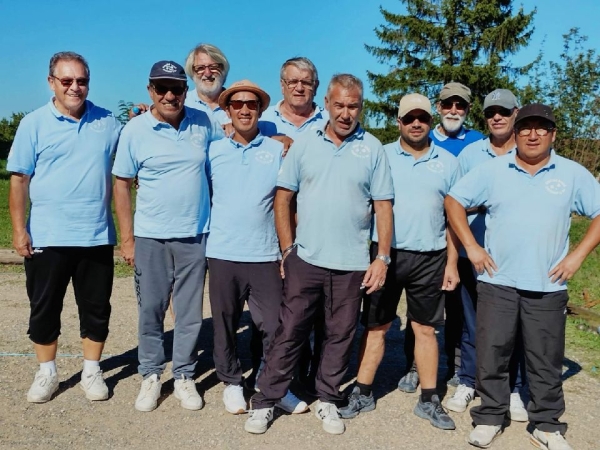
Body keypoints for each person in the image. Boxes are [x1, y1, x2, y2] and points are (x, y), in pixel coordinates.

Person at [244, 73, 394, 436]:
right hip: (306, 259)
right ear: (326, 104)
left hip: (352, 264)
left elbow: (384, 206)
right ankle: (266, 400)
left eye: (353, 106)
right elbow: (283, 198)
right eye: (339, 105)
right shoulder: (304, 144)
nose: (345, 113)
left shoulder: (372, 147)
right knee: (289, 331)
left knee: (340, 335)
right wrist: (287, 250)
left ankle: (327, 398)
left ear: (361, 107)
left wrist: (382, 257)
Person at [445, 103, 600, 449]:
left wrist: (577, 256)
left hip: (548, 284)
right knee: (492, 353)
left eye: (541, 128)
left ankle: (546, 424)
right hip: (498, 281)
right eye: (526, 127)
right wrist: (472, 247)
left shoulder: (572, 174)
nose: (533, 134)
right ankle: (490, 416)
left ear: (553, 134)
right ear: (516, 133)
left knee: (545, 359)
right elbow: (454, 201)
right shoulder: (494, 170)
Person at [339, 93, 460, 430]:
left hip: (431, 256)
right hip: (385, 255)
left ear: (431, 122)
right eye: (409, 118)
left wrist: (451, 263)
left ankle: (429, 399)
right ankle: (362, 391)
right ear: (399, 122)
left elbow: (454, 218)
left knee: (425, 329)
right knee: (376, 327)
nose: (416, 123)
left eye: (422, 118)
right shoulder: (382, 155)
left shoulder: (449, 162)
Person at [8, 51, 121, 403]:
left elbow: (134, 155)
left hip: (95, 235)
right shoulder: (33, 123)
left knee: (97, 308)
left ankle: (91, 371)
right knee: (44, 308)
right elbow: (19, 179)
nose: (75, 87)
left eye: (81, 81)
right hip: (47, 235)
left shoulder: (108, 122)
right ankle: (47, 373)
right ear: (51, 82)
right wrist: (18, 229)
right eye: (67, 81)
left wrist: (145, 117)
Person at [113, 60, 220, 412]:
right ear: (150, 91)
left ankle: (185, 374)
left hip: (195, 234)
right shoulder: (134, 130)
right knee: (151, 310)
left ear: (186, 91)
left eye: (176, 88)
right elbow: (122, 184)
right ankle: (151, 374)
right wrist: (127, 239)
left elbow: (227, 153)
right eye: (162, 89)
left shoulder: (203, 122)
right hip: (150, 237)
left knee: (189, 313)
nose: (170, 95)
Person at [206, 79, 307, 415]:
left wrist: (287, 249)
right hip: (223, 252)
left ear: (261, 110)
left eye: (252, 104)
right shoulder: (213, 150)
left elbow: (289, 202)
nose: (245, 109)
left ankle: (271, 384)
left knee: (274, 326)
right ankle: (232, 383)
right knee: (225, 323)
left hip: (265, 254)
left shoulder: (279, 150)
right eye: (237, 104)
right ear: (228, 110)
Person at [445, 89, 528, 421]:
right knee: (473, 324)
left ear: (515, 114)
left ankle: (513, 387)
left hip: (516, 258)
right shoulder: (470, 154)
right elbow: (453, 208)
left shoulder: (529, 152)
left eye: (504, 112)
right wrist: (455, 257)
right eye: (491, 111)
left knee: (515, 327)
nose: (497, 117)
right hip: (473, 255)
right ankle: (468, 381)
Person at [398, 82, 485, 392]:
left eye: (460, 105)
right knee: (419, 313)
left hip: (464, 243)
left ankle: (456, 368)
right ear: (438, 108)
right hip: (430, 245)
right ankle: (412, 366)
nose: (453, 110)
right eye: (448, 104)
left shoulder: (478, 144)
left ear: (467, 110)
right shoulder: (421, 135)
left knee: (459, 313)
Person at [256, 56, 329, 395]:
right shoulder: (264, 120)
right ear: (282, 85)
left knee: (313, 304)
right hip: (271, 222)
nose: (300, 87)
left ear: (316, 86)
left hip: (317, 224)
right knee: (275, 305)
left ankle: (308, 373)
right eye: (293, 81)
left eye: (307, 82)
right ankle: (267, 370)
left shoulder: (328, 120)